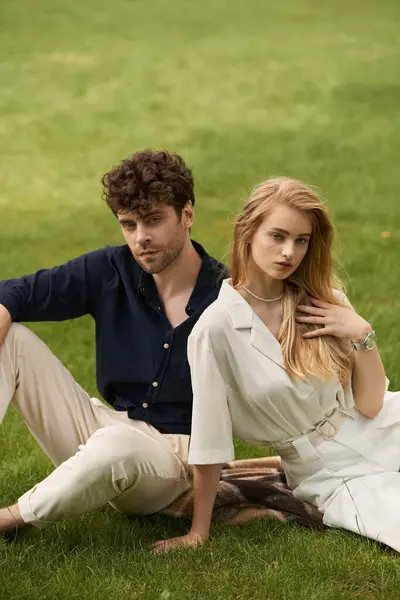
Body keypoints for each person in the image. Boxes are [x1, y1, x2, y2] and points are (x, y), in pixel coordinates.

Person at [154, 176, 400, 554]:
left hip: (380, 426)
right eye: (278, 236)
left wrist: (362, 334)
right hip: (327, 471)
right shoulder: (215, 330)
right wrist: (198, 531)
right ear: (248, 233)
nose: (290, 252)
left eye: (301, 240)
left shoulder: (324, 299)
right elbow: (209, 437)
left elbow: (370, 405)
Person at [0, 149, 226, 534]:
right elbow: (15, 293)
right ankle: (86, 474)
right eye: (129, 224)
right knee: (12, 339)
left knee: (116, 445)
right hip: (103, 426)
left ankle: (12, 519)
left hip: (172, 459)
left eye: (154, 220)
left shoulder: (225, 297)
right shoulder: (111, 269)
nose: (142, 238)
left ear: (187, 214)